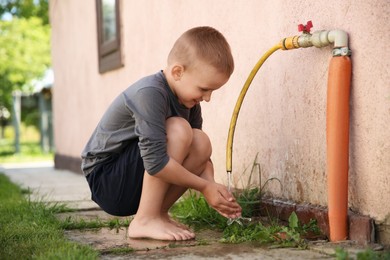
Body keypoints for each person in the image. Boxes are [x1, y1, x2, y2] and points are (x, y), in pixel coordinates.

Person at [81, 26, 242, 241]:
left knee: (201, 142)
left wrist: (212, 185)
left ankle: (157, 214)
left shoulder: (188, 100)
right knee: (178, 129)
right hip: (107, 179)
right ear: (178, 72)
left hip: (135, 177)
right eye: (204, 89)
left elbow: (201, 158)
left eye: (212, 91)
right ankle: (145, 219)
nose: (207, 98)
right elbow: (156, 162)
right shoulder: (151, 93)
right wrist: (204, 187)